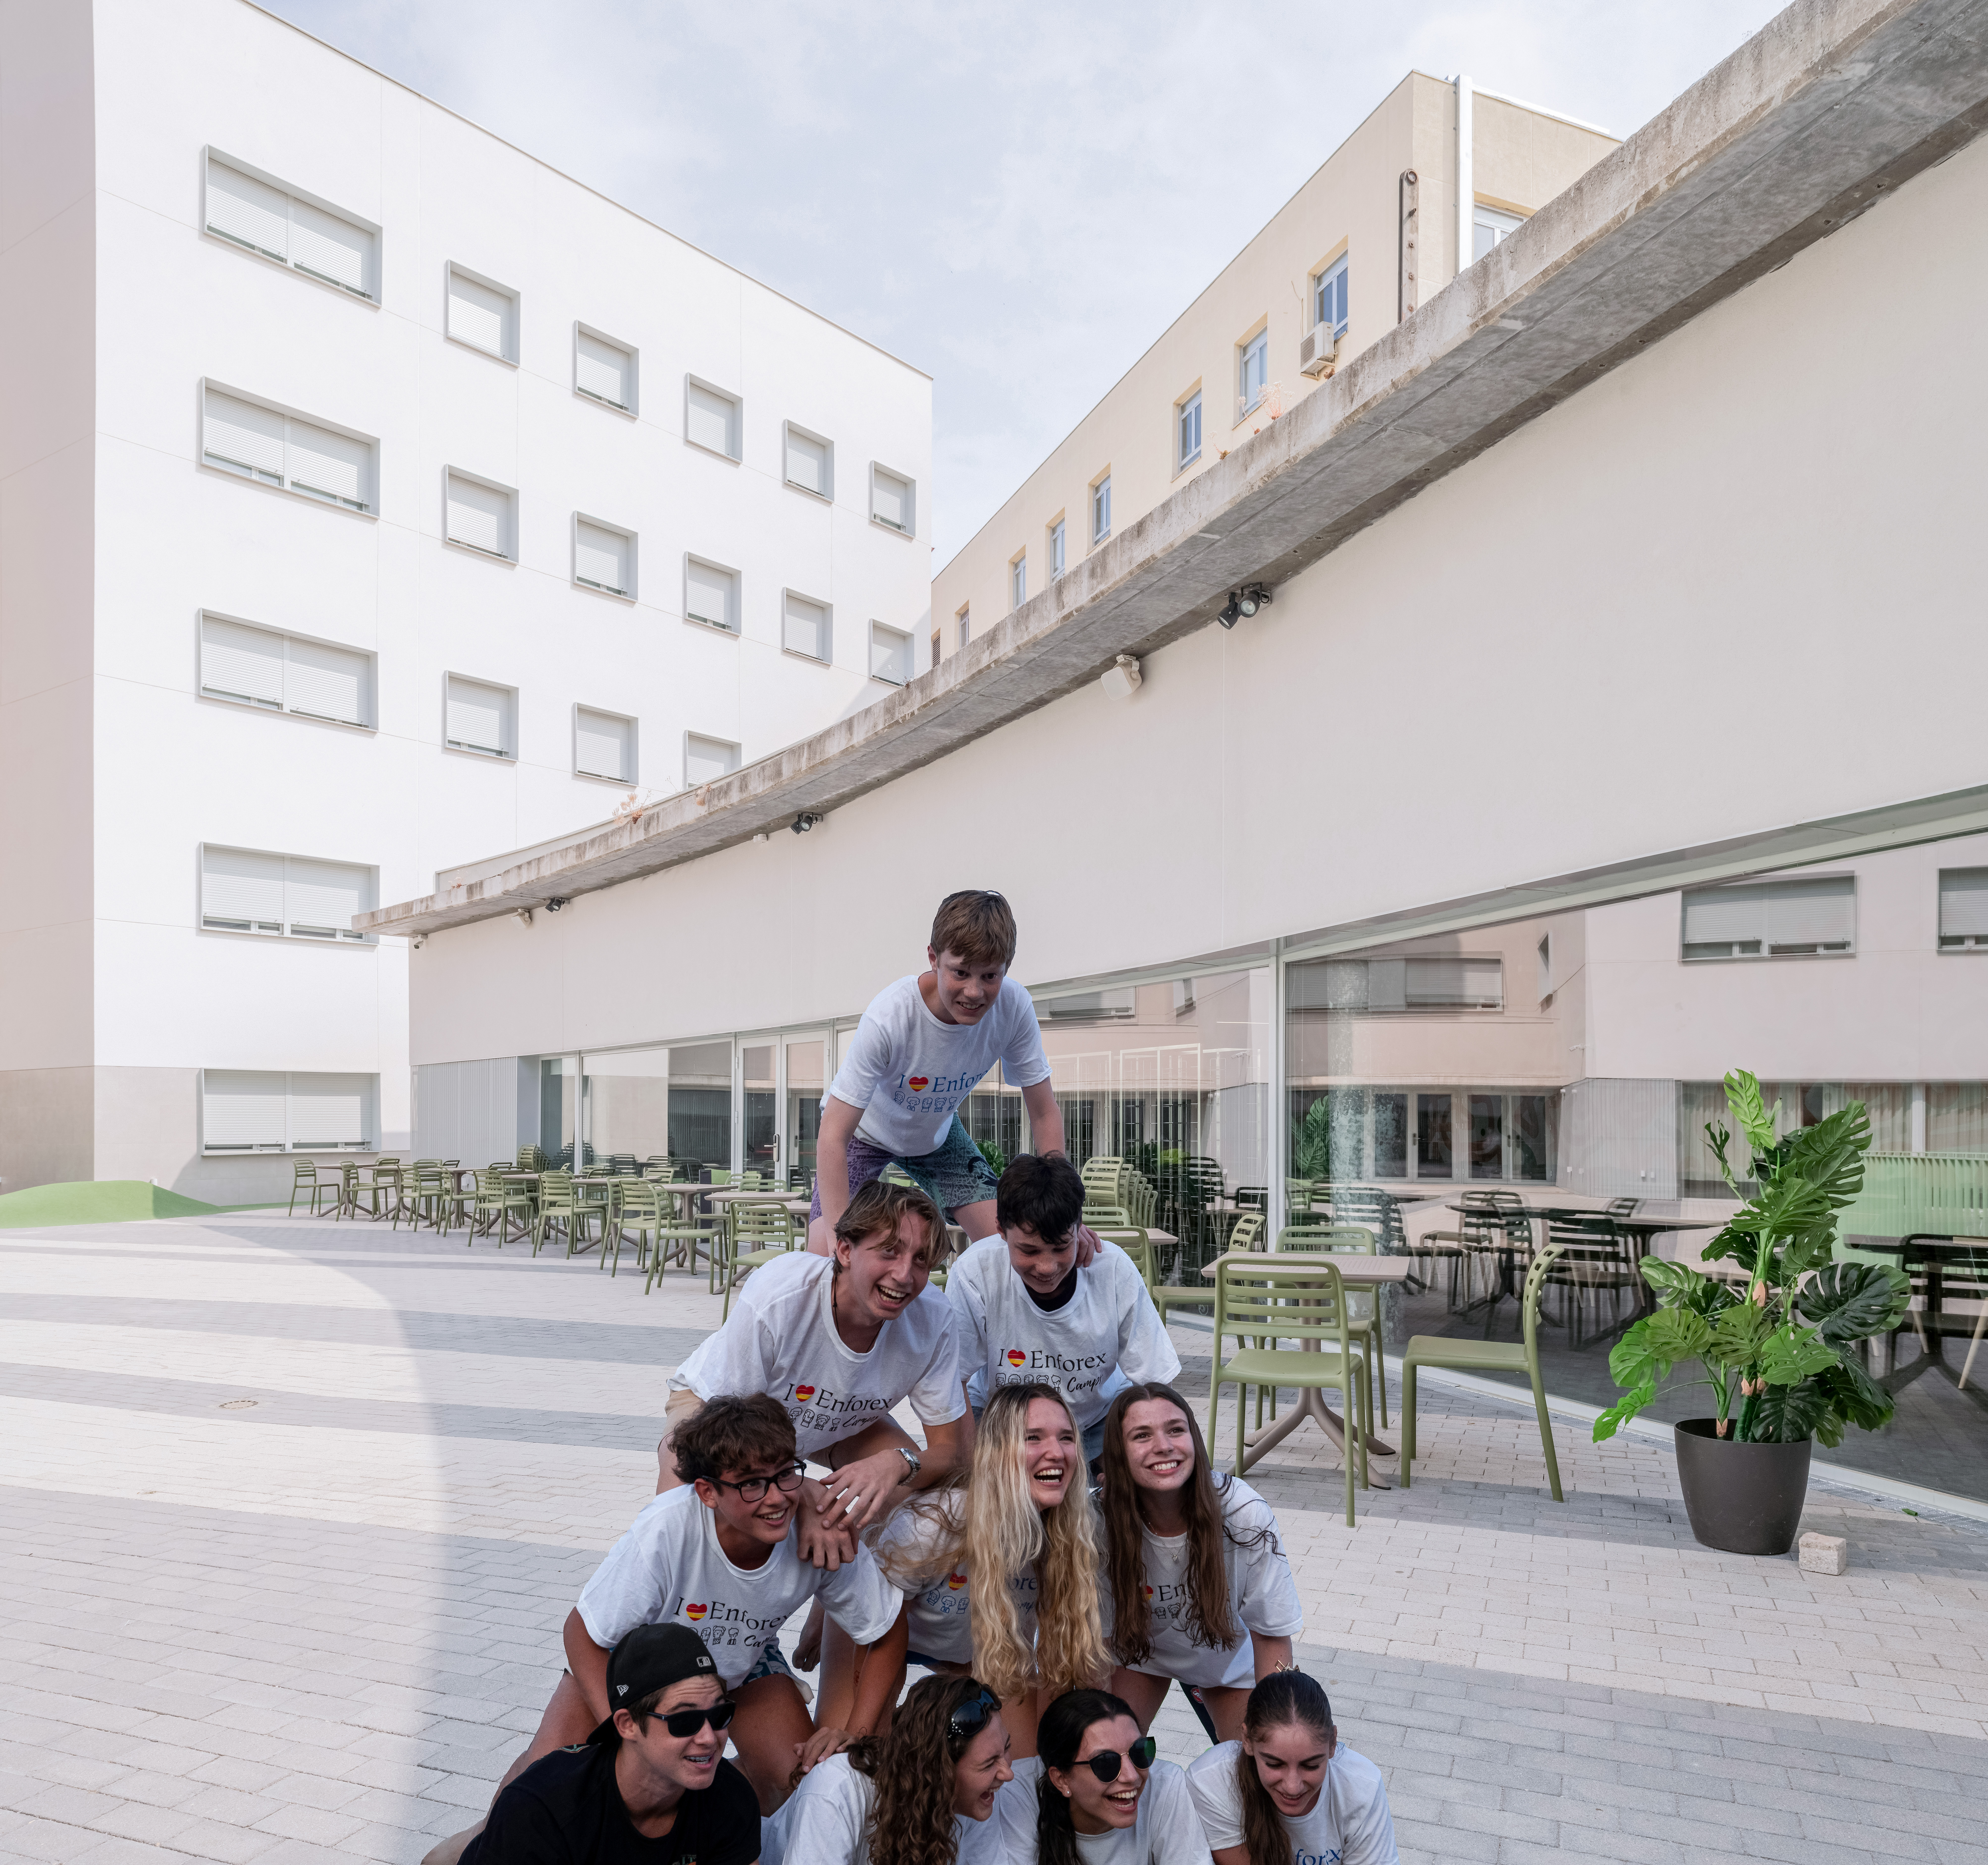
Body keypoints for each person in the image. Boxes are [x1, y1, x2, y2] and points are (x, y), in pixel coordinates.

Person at [501, 1396, 906, 1820]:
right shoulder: (667, 1529)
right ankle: (476, 1842)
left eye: (785, 1474)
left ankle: (721, 1804)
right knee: (549, 1789)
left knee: (803, 1785)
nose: (776, 1499)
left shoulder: (822, 1529)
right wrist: (625, 1735)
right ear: (707, 1491)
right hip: (631, 1664)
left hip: (739, 1659)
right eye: (751, 1483)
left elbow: (888, 1629)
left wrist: (855, 1734)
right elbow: (582, 1632)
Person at [662, 1180, 970, 1547]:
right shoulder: (782, 1294)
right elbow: (728, 1432)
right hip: (719, 1413)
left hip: (841, 1423)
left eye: (921, 1259)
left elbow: (951, 1453)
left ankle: (852, 1601)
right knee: (686, 1524)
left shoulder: (933, 1318)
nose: (905, 1276)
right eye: (889, 1252)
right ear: (844, 1250)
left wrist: (898, 1463)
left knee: (925, 1509)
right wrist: (802, 1491)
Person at [805, 890, 1082, 1255]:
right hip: (864, 1134)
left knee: (1009, 1245)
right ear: (934, 959)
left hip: (937, 1136)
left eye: (990, 976)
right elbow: (833, 1135)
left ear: (1006, 969)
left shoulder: (1014, 1009)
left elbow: (1044, 1112)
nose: (974, 991)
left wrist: (1065, 1214)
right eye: (961, 973)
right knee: (825, 1258)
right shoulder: (891, 1017)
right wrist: (838, 1242)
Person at [857, 1383, 1109, 1758]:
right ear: (997, 1453)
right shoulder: (937, 1523)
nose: (1056, 1453)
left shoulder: (1072, 1531)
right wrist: (867, 1731)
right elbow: (883, 1633)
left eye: (1067, 1438)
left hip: (975, 1649)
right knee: (857, 1750)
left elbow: (1066, 1655)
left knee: (1022, 1772)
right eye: (1033, 1439)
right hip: (880, 1634)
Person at [1098, 1384, 1302, 1743]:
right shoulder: (1096, 1521)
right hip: (1137, 1657)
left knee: (1257, 1759)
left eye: (1176, 1430)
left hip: (1224, 1659)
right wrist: (1094, 1728)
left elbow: (1272, 1634)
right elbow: (1096, 1645)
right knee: (1106, 1754)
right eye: (1141, 1436)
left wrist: (1278, 1727)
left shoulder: (1242, 1512)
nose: (1164, 1446)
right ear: (1118, 1453)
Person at [457, 1624, 760, 1865]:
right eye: (685, 1721)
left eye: (720, 1714)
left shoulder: (730, 1797)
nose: (709, 1737)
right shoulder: (542, 1809)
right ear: (627, 1724)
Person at [946, 1155, 1179, 1468]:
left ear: (1080, 1226)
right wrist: (973, 1470)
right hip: (1001, 1423)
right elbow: (953, 1380)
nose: (1046, 1267)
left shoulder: (1111, 1269)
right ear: (1001, 1231)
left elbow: (1155, 1384)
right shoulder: (975, 1272)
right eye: (1028, 1250)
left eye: (1061, 1247)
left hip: (1094, 1423)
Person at [761, 1672, 1015, 1865]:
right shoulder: (837, 1789)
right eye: (989, 1763)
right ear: (937, 1771)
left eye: (1007, 1748)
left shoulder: (969, 1802)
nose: (1008, 1774)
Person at [1185, 1672, 1398, 1865]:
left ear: (1333, 1744)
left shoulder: (1362, 1785)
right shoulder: (1212, 1780)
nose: (1293, 1787)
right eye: (1274, 1764)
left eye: (1311, 1766)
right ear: (1247, 1740)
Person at [996, 1686, 1212, 1865]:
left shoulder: (1166, 1784)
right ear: (1060, 1779)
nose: (1131, 1777)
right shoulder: (1017, 1793)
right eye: (1106, 1763)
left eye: (1139, 1752)